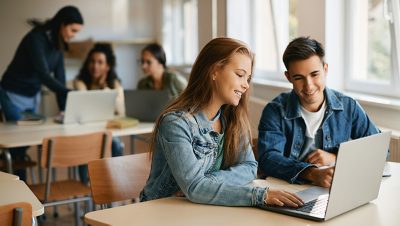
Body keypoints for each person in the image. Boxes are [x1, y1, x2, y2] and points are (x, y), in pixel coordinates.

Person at [140, 37, 303, 208]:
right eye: (240, 75)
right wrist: (260, 195)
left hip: (200, 210)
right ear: (214, 71)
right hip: (161, 211)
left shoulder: (232, 118)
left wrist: (209, 182)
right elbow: (195, 188)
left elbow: (249, 167)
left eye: (247, 78)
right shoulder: (176, 123)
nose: (246, 85)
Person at [257, 37, 381, 188]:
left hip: (332, 189)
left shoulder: (348, 106)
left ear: (325, 69)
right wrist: (312, 173)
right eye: (299, 78)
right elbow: (268, 158)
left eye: (314, 74)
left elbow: (380, 150)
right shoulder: (275, 110)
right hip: (287, 189)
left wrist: (336, 158)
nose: (308, 86)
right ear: (288, 77)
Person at [0, 5, 83, 181]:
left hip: (32, 97)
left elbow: (60, 80)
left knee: (22, 147)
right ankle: (17, 189)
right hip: (11, 94)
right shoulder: (35, 39)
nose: (74, 35)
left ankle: (20, 187)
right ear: (62, 24)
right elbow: (44, 75)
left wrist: (64, 111)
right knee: (16, 146)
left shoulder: (58, 47)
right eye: (73, 30)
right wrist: (71, 92)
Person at [74, 43, 125, 184]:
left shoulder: (114, 83)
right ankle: (86, 184)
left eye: (100, 62)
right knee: (86, 147)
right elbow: (85, 105)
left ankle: (116, 182)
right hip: (86, 132)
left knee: (115, 144)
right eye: (92, 61)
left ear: (108, 66)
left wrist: (105, 87)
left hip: (107, 131)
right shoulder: (80, 82)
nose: (95, 66)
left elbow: (121, 110)